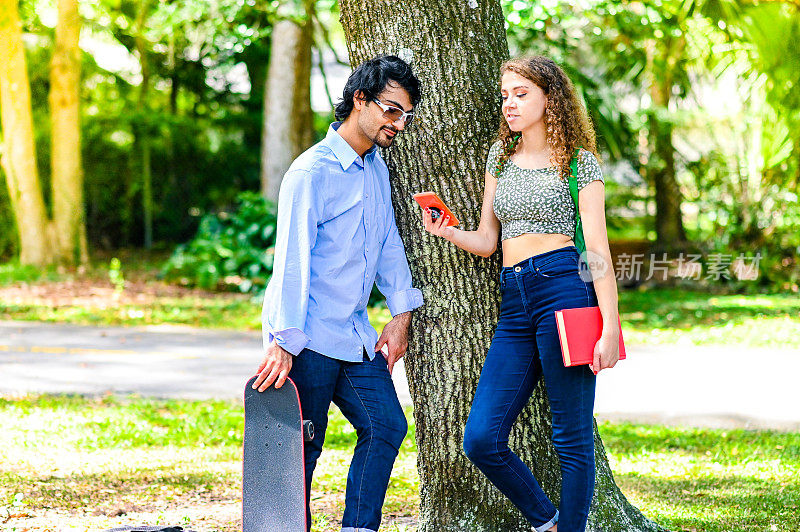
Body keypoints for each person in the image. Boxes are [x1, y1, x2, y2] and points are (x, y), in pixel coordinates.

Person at [420, 56, 620, 532]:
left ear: (550, 98)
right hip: (514, 299)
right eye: (505, 94)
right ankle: (546, 521)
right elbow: (489, 240)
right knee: (481, 439)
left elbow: (597, 249)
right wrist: (447, 231)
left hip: (565, 290)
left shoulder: (579, 162)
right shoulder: (500, 157)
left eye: (521, 93)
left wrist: (610, 325)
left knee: (571, 438)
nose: (509, 103)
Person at [253, 55, 424, 532]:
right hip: (307, 338)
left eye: (406, 114)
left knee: (386, 425)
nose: (399, 123)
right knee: (302, 448)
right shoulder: (312, 173)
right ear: (359, 100)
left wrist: (401, 312)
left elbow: (389, 242)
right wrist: (285, 338)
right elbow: (292, 258)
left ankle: (358, 527)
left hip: (353, 336)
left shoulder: (375, 168)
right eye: (392, 110)